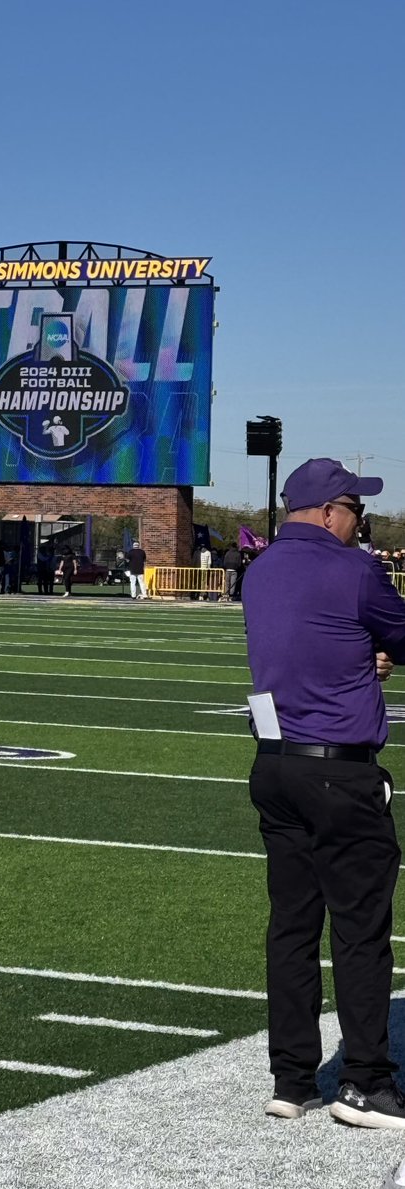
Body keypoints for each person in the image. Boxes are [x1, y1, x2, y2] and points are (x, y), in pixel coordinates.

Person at [242, 457, 405, 1128]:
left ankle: (291, 1079)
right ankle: (365, 1082)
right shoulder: (354, 569)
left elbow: (302, 643)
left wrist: (360, 655)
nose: (359, 522)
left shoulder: (259, 571)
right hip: (339, 768)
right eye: (354, 510)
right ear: (329, 512)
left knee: (290, 927)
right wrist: (377, 652)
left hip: (274, 764)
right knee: (361, 929)